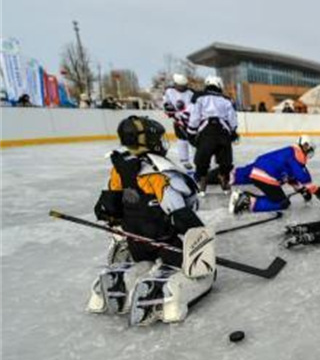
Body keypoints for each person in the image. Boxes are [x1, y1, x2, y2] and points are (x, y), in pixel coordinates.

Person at [88, 116, 215, 326]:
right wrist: (198, 237)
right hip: (163, 240)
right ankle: (161, 291)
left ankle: (122, 281)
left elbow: (110, 208)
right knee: (182, 265)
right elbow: (178, 212)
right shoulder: (158, 173)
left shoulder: (119, 168)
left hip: (135, 241)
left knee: (143, 260)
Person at [228, 135, 320, 214]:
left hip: (259, 168)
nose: (309, 152)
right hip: (266, 175)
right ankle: (247, 201)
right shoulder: (296, 155)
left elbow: (292, 178)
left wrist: (302, 190)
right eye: (309, 148)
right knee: (282, 202)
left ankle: (228, 177)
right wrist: (317, 190)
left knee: (244, 174)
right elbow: (303, 177)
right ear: (304, 145)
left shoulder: (289, 152)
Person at [187, 75, 238, 196]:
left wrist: (191, 132)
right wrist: (233, 131)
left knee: (202, 159)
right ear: (220, 86)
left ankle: (202, 181)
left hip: (206, 132)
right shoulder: (226, 99)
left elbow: (194, 117)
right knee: (225, 160)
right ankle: (223, 178)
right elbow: (232, 119)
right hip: (223, 132)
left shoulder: (199, 97)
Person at [163, 74, 195, 168]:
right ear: (176, 84)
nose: (182, 87)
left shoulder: (191, 93)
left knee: (194, 141)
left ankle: (196, 160)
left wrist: (186, 116)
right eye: (180, 85)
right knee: (182, 140)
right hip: (177, 120)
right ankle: (184, 160)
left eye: (184, 85)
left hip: (191, 120)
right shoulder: (169, 91)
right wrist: (170, 111)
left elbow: (193, 106)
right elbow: (166, 103)